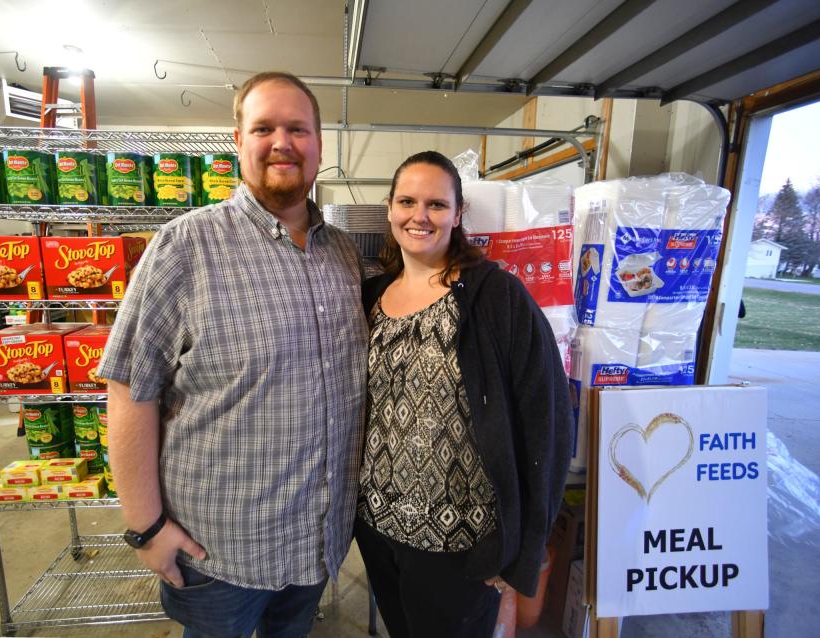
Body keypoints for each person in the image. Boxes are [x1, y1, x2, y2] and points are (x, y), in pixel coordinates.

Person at [98, 71, 369, 638]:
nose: (282, 142)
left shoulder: (343, 254)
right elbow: (128, 389)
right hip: (218, 549)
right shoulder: (184, 246)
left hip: (317, 541)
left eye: (298, 128)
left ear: (319, 143)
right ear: (238, 141)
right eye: (264, 127)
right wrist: (147, 527)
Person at [355, 151, 573, 637]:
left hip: (461, 543)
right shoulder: (369, 298)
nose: (420, 216)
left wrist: (523, 544)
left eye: (436, 204)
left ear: (457, 215)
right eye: (407, 201)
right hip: (377, 527)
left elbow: (550, 421)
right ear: (389, 209)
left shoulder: (495, 297)